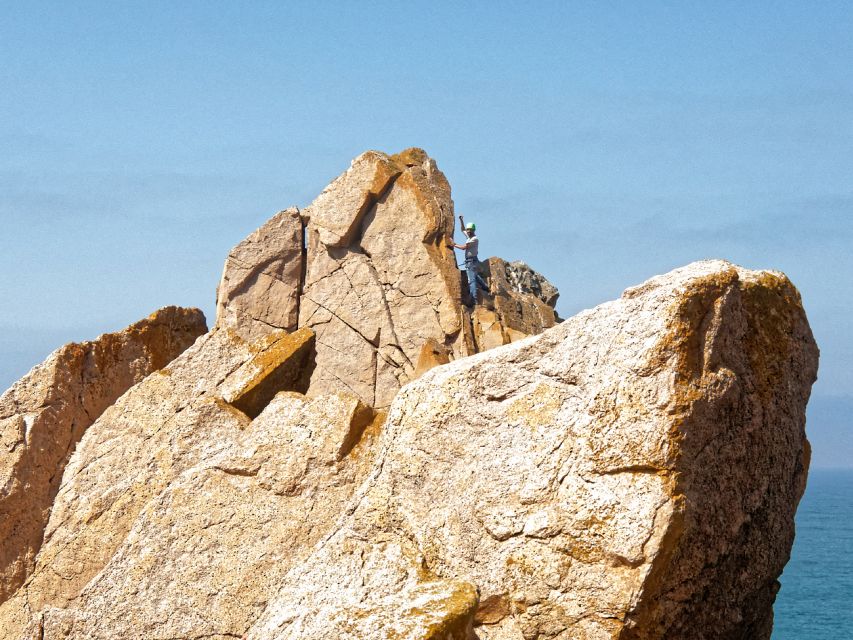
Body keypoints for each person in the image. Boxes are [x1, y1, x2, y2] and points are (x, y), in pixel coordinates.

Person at [449, 215, 488, 307]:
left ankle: (474, 300)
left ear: (473, 230)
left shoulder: (474, 239)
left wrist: (454, 244)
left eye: (470, 230)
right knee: (475, 275)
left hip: (471, 261)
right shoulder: (469, 236)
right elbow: (462, 229)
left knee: (472, 281)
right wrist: (461, 220)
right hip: (471, 261)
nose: (468, 231)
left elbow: (464, 248)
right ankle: (485, 287)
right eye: (468, 229)